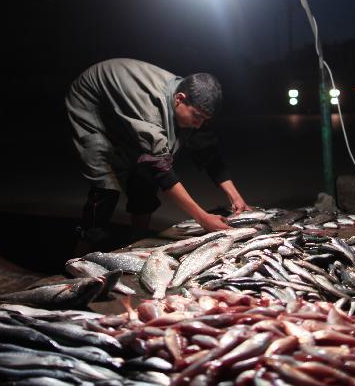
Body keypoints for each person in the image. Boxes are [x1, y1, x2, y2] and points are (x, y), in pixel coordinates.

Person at [66, 58, 248, 248]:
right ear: (179, 99)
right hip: (92, 101)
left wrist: (235, 196)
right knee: (107, 182)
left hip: (129, 103)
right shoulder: (150, 110)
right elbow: (161, 170)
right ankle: (85, 246)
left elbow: (207, 150)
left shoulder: (191, 100)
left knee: (144, 175)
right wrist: (203, 218)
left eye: (205, 119)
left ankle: (138, 242)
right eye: (197, 116)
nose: (199, 123)